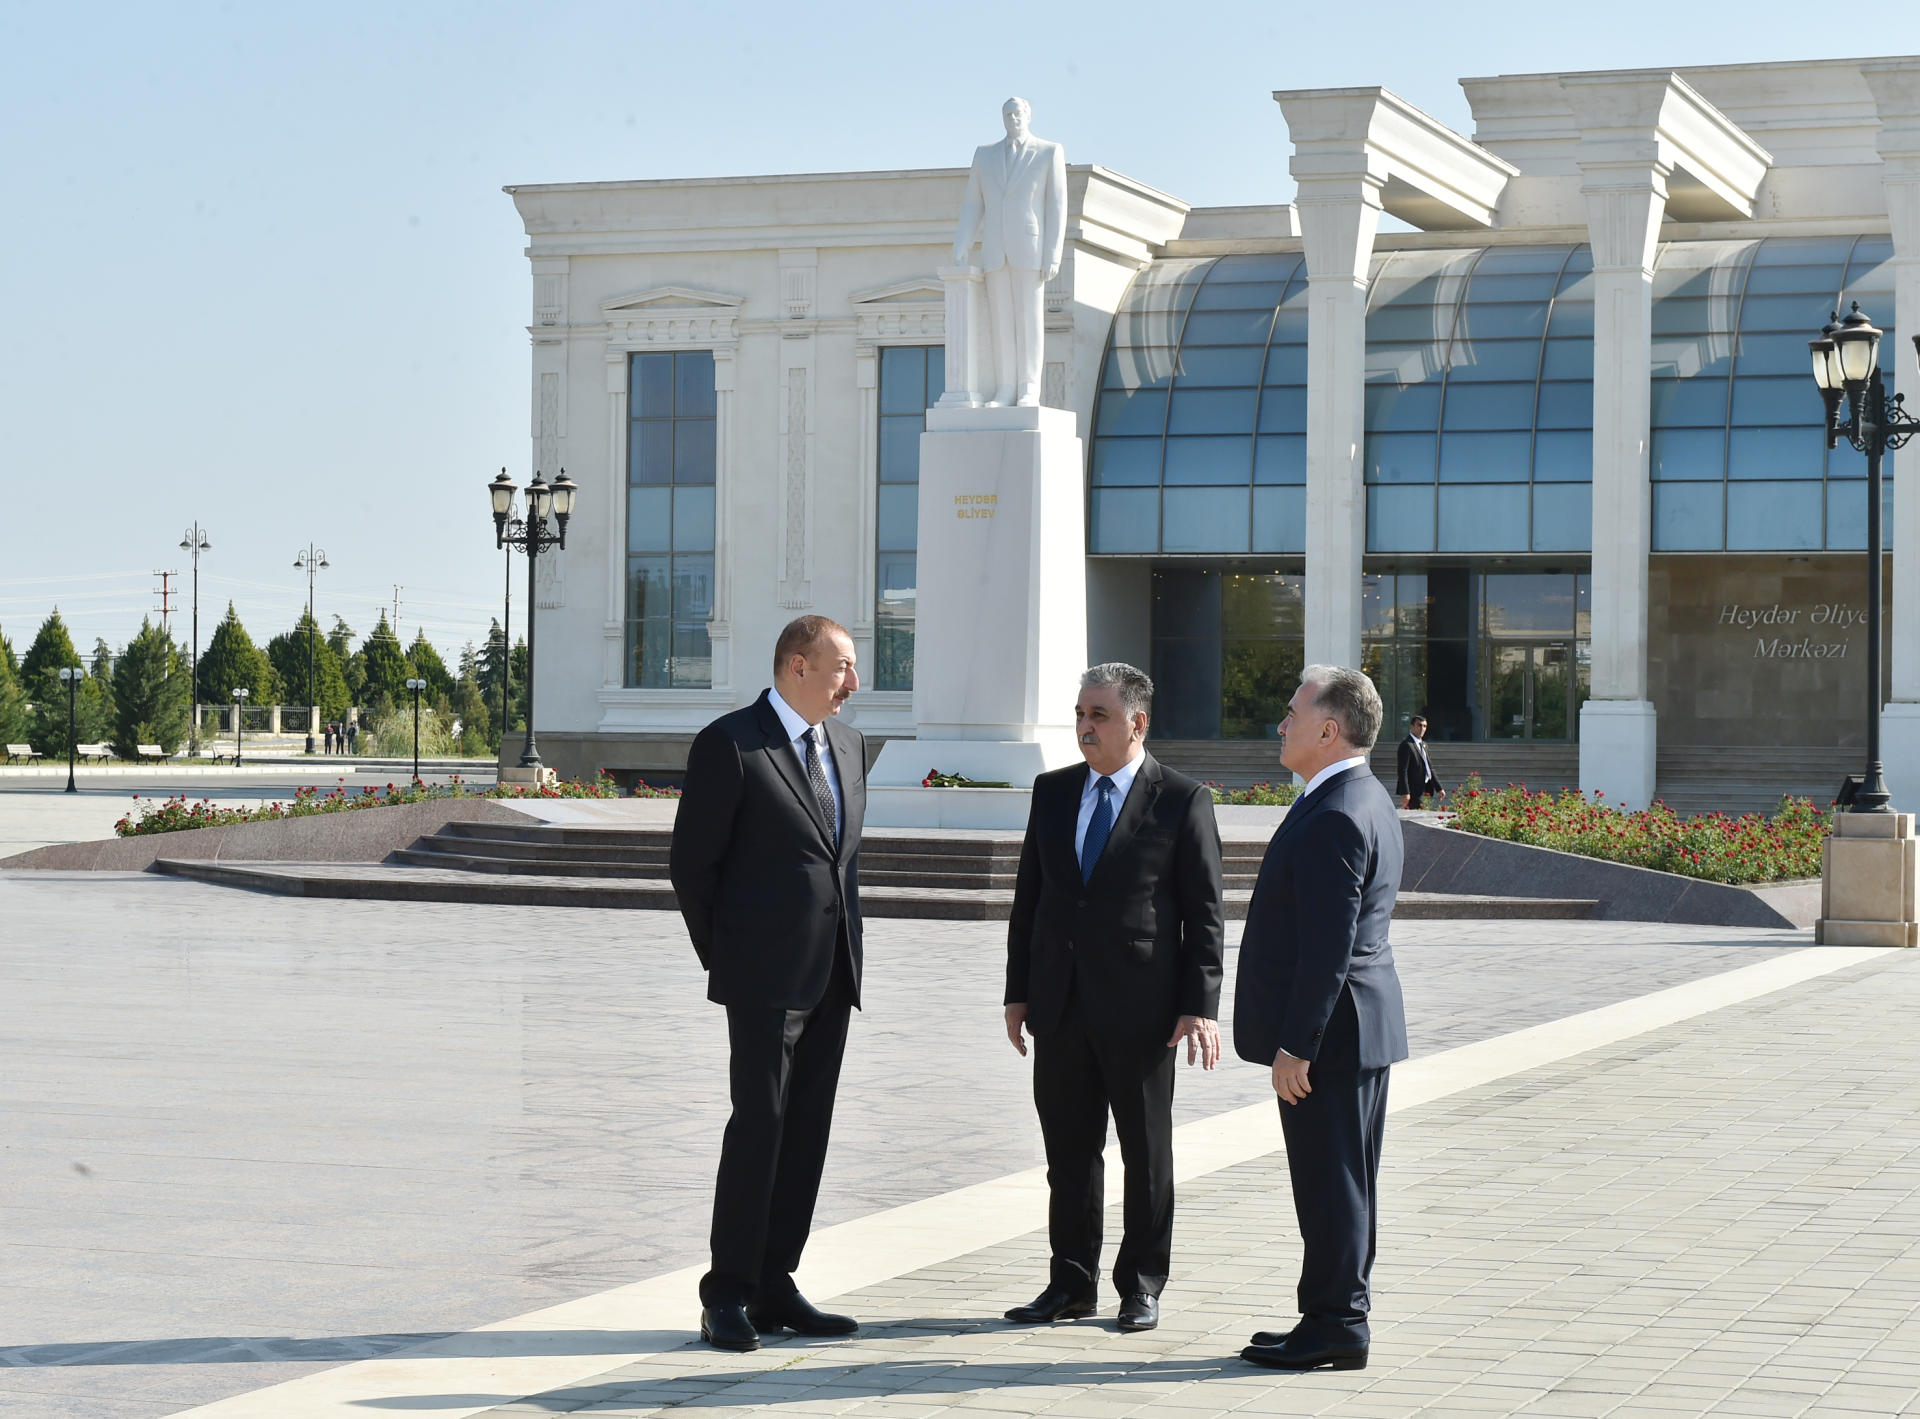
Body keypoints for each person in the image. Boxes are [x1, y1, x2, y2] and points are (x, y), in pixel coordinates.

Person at [1002, 663, 1226, 1333]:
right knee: (1068, 1154)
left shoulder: (1182, 799)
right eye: (1079, 712)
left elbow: (1205, 913)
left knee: (1145, 1153)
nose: (1085, 726)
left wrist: (1200, 1004)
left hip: (1143, 1011)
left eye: (1099, 714)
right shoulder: (1052, 791)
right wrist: (1018, 992)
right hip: (1060, 1006)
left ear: (1138, 722)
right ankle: (1070, 1282)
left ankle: (1142, 1283)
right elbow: (1029, 901)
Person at [669, 615, 866, 1353]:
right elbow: (692, 867)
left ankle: (777, 1281)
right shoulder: (731, 744)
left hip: (832, 974)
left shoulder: (847, 745)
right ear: (795, 666)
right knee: (759, 1126)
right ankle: (727, 1291)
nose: (854, 681)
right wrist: (733, 962)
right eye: (842, 666)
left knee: (806, 1132)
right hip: (762, 981)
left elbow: (838, 862)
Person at [1234, 666, 1408, 1372]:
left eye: (1292, 713)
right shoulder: (1361, 796)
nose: (1282, 724)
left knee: (1331, 1184)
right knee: (1344, 1183)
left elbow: (1328, 946)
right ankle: (1330, 1314)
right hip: (1358, 1029)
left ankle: (1337, 1322)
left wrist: (1295, 1045)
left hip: (1331, 1038)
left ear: (1329, 729)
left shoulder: (1337, 809)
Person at [952, 97, 1068, 407]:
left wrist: (1053, 252)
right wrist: (963, 240)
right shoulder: (985, 155)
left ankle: (1029, 385)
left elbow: (1057, 205)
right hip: (995, 248)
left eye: (1018, 113)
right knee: (1001, 320)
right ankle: (1005, 387)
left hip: (1030, 248)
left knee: (1029, 320)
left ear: (1029, 115)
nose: (1013, 118)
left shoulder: (1048, 152)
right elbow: (973, 203)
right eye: (1008, 114)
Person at [1394, 714, 1443, 810]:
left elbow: (1429, 768)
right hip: (1413, 791)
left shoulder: (1424, 744)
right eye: (1419, 725)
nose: (1422, 728)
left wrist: (1439, 788)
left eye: (1424, 726)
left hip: (1425, 789)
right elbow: (1402, 771)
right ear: (1412, 727)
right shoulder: (1406, 745)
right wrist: (1405, 793)